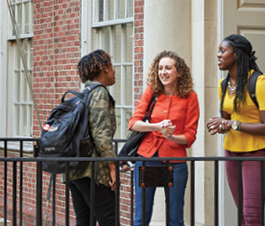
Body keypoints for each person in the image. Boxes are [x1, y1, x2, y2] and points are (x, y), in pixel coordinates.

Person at [206, 34, 265, 226]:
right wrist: (219, 125)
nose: (218, 55)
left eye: (222, 51)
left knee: (252, 216)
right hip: (232, 152)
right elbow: (227, 121)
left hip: (257, 152)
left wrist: (232, 124)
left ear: (236, 55)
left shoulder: (259, 82)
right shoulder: (223, 85)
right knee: (243, 215)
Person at [127, 50, 199, 226]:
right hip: (148, 159)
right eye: (160, 68)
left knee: (175, 218)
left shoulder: (190, 97)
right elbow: (133, 123)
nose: (163, 72)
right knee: (141, 218)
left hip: (175, 162)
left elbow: (190, 135)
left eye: (168, 68)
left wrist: (172, 136)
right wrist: (157, 127)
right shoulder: (151, 92)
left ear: (179, 72)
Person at [67, 49, 118, 226]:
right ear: (104, 68)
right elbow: (101, 136)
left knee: (84, 221)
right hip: (93, 172)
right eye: (111, 67)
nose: (114, 71)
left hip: (74, 169)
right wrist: (113, 167)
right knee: (110, 220)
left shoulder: (82, 94)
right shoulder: (100, 93)